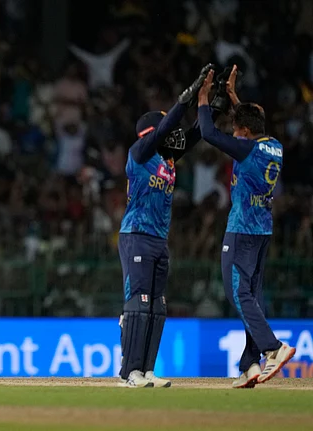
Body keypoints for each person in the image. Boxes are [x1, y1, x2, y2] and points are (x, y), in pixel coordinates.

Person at [197, 66, 296, 388]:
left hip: (241, 231)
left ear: (244, 131)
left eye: (236, 128)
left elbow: (210, 134)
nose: (234, 133)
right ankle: (250, 363)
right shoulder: (274, 146)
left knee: (237, 293)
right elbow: (252, 120)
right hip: (263, 230)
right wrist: (233, 95)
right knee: (252, 295)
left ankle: (273, 347)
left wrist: (202, 99)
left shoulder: (247, 148)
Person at [117, 65, 212, 388]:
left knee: (157, 307)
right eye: (164, 128)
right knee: (139, 304)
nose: (173, 134)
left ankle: (145, 371)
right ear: (150, 133)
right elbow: (164, 131)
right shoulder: (140, 154)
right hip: (136, 236)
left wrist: (209, 103)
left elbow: (196, 134)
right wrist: (183, 101)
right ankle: (129, 372)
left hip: (158, 239)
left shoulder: (167, 158)